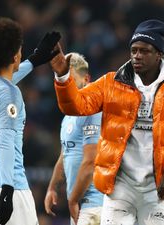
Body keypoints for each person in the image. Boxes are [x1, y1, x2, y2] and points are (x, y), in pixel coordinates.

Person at [50, 19, 164, 225]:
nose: (137, 56)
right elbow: (76, 106)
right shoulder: (110, 83)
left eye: (144, 51)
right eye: (133, 50)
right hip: (119, 187)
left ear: (159, 54)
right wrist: (63, 76)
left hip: (158, 190)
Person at [0, 17, 60, 225]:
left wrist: (35, 60)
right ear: (14, 56)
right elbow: (5, 143)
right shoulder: (10, 94)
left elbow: (2, 84)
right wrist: (7, 190)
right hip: (6, 186)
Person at [44, 53, 103, 225]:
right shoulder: (69, 115)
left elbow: (90, 162)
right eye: (64, 80)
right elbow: (65, 154)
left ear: (86, 79)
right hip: (78, 205)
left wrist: (73, 200)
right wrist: (52, 188)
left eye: (71, 80)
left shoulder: (94, 110)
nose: (66, 85)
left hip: (95, 204)